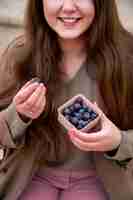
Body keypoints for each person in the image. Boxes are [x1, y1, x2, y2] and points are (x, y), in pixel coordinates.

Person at [0, 0, 133, 199]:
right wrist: (18, 114)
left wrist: (119, 141)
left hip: (102, 178)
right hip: (30, 174)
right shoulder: (20, 54)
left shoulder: (127, 57)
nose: (69, 6)